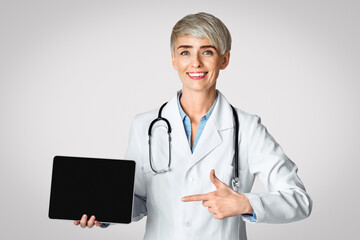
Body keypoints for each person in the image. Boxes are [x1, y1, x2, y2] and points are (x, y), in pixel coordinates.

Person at [74, 12, 312, 239]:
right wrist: (103, 212)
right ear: (174, 60)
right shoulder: (144, 125)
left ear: (224, 59)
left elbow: (299, 199)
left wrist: (246, 203)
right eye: (185, 52)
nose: (195, 63)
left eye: (207, 52)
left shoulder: (247, 128)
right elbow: (139, 200)